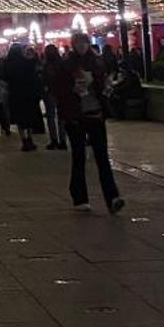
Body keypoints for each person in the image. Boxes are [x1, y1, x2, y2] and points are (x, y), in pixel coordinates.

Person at [47, 31, 125, 213]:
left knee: (102, 157)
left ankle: (112, 197)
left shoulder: (97, 62)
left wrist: (102, 86)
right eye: (78, 43)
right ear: (73, 45)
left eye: (84, 43)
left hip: (95, 113)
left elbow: (103, 84)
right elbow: (59, 90)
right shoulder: (66, 65)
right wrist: (72, 88)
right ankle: (79, 197)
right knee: (79, 156)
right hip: (76, 116)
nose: (82, 46)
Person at [3, 39, 43, 153]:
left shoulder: (7, 64)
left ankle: (24, 140)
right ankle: (30, 138)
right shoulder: (26, 62)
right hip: (27, 94)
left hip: (15, 95)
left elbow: (4, 78)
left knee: (19, 119)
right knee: (29, 117)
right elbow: (34, 70)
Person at [39, 44, 65, 149]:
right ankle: (62, 140)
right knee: (61, 116)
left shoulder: (45, 64)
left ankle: (54, 140)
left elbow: (43, 79)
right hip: (61, 92)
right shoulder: (62, 63)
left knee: (51, 116)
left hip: (50, 92)